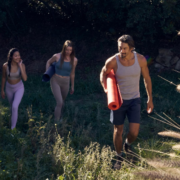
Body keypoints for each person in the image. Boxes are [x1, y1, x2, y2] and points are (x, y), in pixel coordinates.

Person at [100, 35, 154, 170]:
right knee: (118, 130)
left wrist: (150, 99)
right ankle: (119, 156)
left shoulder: (141, 60)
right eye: (119, 48)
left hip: (135, 99)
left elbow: (146, 79)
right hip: (118, 100)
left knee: (134, 132)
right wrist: (107, 89)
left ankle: (127, 144)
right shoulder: (112, 61)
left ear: (131, 48)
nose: (121, 51)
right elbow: (103, 73)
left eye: (124, 48)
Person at [46, 40, 78, 122]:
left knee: (62, 102)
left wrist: (72, 86)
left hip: (66, 81)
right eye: (67, 50)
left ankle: (60, 115)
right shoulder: (57, 56)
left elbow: (72, 74)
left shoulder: (74, 60)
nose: (68, 52)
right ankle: (57, 122)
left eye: (70, 50)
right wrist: (48, 73)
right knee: (59, 102)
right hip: (55, 80)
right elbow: (48, 62)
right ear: (64, 49)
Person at [1, 48, 27, 129]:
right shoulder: (5, 66)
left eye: (19, 55)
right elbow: (4, 78)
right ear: (11, 57)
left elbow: (25, 79)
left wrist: (20, 66)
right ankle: (13, 120)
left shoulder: (22, 65)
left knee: (15, 106)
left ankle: (13, 129)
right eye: (16, 56)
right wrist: (2, 90)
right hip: (9, 88)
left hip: (19, 88)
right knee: (12, 106)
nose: (18, 57)